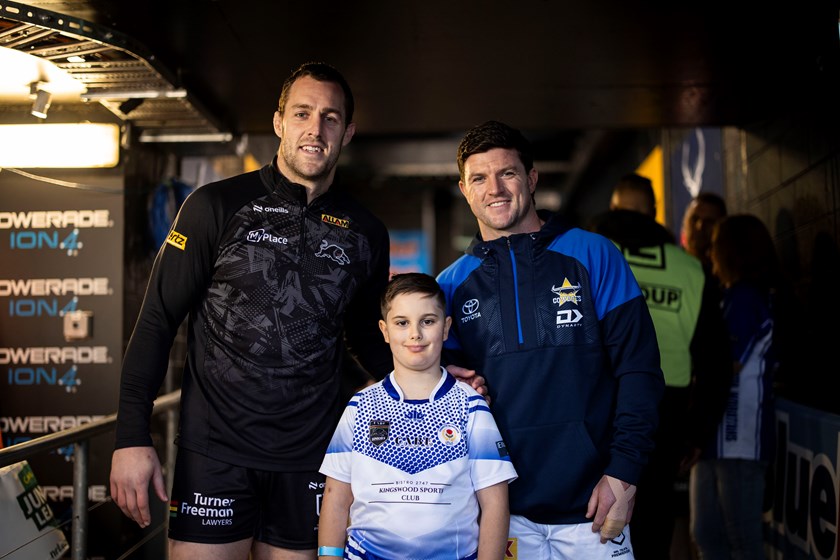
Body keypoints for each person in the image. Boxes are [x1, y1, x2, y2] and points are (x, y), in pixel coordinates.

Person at [109, 62, 397, 560]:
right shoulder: (214, 206)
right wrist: (130, 437)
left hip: (311, 456)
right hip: (214, 453)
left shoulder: (365, 231)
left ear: (347, 131)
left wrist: (433, 382)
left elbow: (365, 338)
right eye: (302, 113)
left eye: (330, 117)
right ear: (279, 122)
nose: (315, 128)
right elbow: (158, 320)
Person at [437, 121, 664, 559]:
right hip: (500, 514)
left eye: (507, 173)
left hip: (594, 507)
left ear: (532, 178)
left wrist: (625, 471)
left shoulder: (594, 254)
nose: (495, 189)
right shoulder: (450, 285)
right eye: (480, 178)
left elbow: (639, 368)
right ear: (464, 189)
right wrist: (444, 383)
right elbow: (431, 395)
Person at [318, 273, 517, 559]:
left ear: (446, 328)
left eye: (428, 321)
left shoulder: (470, 404)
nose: (415, 334)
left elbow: (496, 504)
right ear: (384, 331)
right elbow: (336, 498)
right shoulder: (360, 406)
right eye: (402, 323)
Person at [590, 174, 732, 560]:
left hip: (600, 405)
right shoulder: (689, 270)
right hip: (666, 414)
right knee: (653, 522)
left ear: (614, 210)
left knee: (596, 522)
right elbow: (716, 363)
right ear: (654, 213)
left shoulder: (592, 257)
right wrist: (699, 433)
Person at [689, 214, 782, 560]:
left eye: (715, 247)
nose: (710, 254)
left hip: (741, 439)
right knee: (706, 534)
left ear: (731, 251)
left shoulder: (745, 298)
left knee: (741, 539)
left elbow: (727, 365)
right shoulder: (727, 297)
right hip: (713, 436)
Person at [681, 192, 728, 270]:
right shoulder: (672, 265)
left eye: (709, 222)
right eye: (694, 219)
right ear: (685, 223)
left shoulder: (730, 275)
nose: (699, 227)